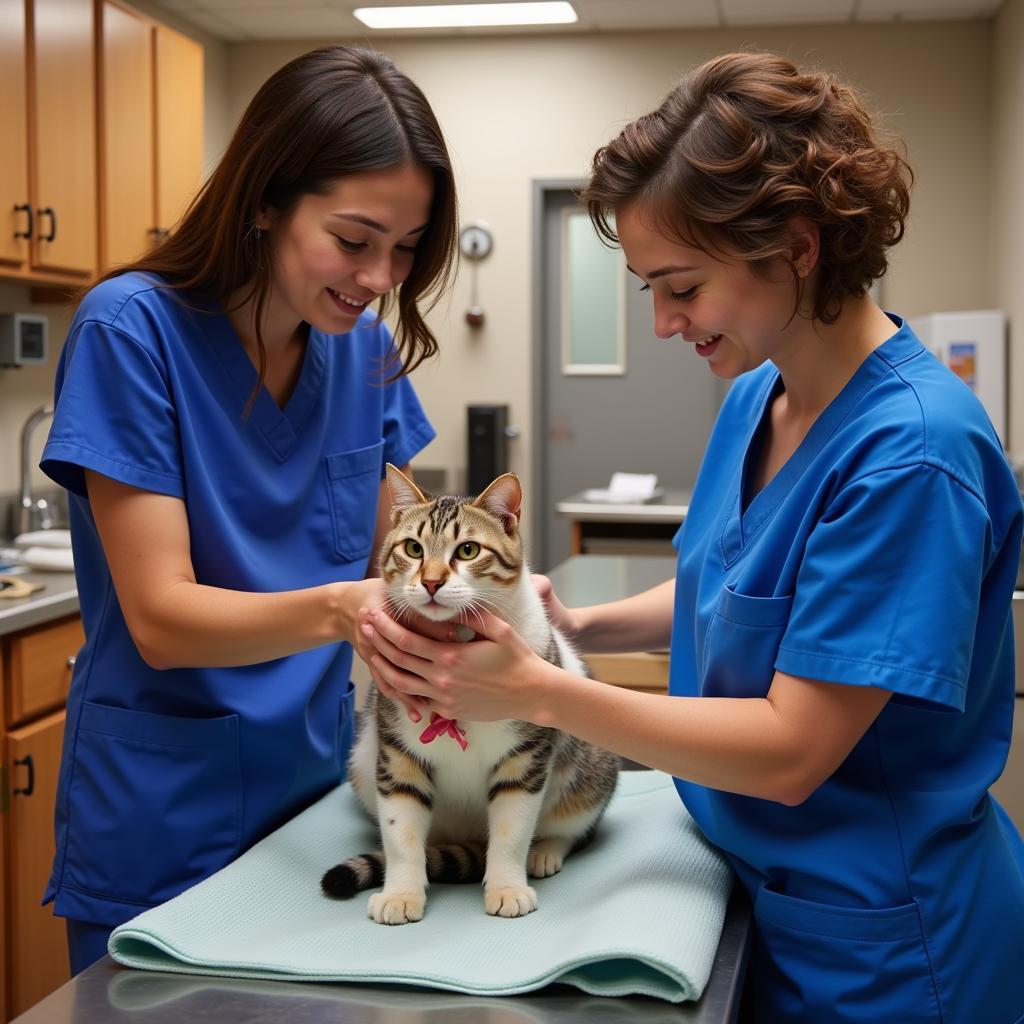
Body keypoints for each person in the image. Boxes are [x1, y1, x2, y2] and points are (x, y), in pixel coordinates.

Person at [359, 52, 1024, 1022]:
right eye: (644, 290)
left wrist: (541, 690)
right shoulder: (759, 392)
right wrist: (570, 624)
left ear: (796, 247)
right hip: (753, 888)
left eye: (681, 285)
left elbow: (792, 749)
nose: (665, 322)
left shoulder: (912, 455)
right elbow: (735, 590)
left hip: (882, 942)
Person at [40, 45, 457, 975]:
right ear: (265, 202)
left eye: (405, 248)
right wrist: (344, 609)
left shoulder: (360, 351)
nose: (382, 275)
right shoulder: (130, 330)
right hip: (166, 815)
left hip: (316, 803)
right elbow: (160, 619)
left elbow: (400, 554)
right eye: (354, 241)